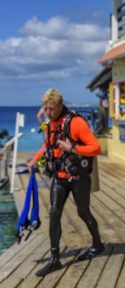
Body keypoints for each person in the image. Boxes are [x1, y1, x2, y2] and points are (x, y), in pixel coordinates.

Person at [27, 88, 104, 276]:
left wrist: (73, 147)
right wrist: (34, 160)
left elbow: (96, 148)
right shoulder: (52, 122)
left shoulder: (76, 122)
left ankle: (97, 244)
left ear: (60, 106)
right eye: (46, 109)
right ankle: (54, 259)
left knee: (83, 212)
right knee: (54, 214)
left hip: (78, 177)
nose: (48, 113)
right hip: (59, 177)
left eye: (52, 109)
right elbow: (49, 144)